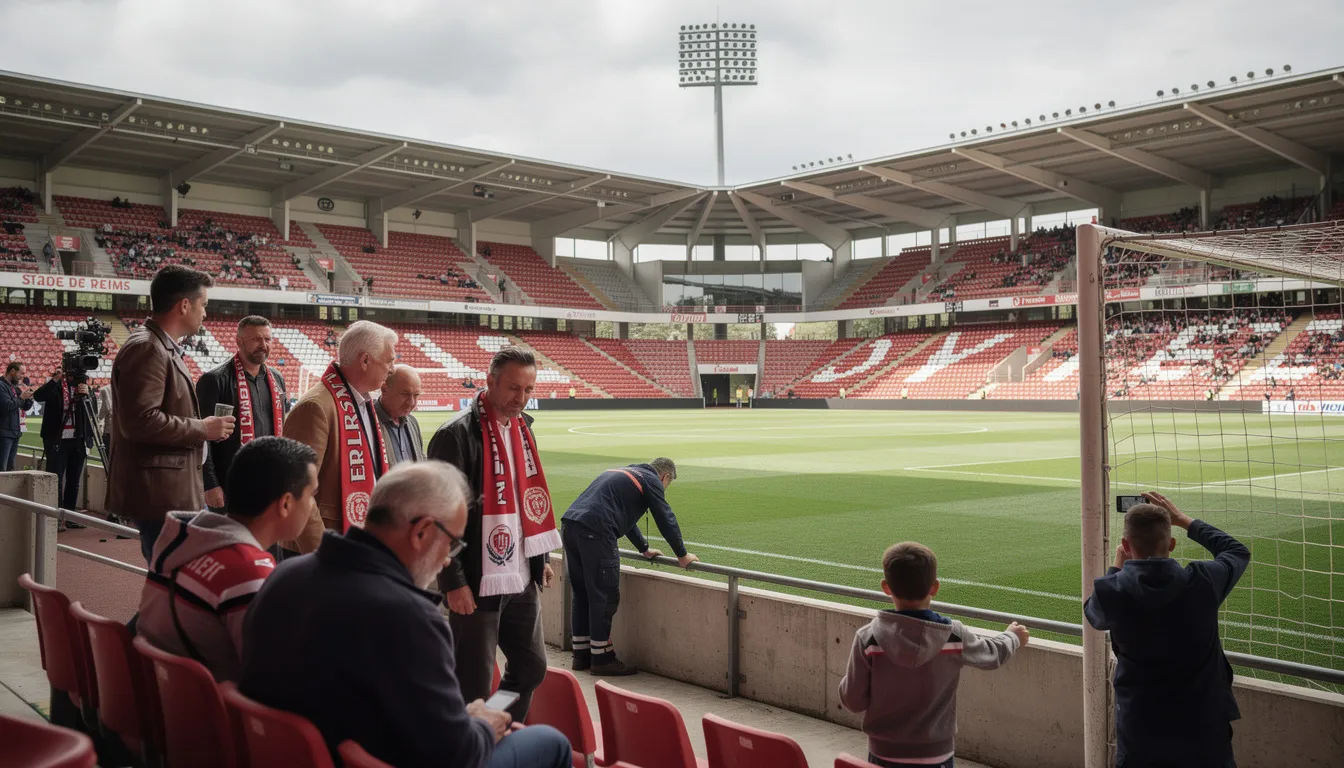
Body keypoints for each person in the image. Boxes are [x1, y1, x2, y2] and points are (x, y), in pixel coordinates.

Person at [240, 461, 572, 768]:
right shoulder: (406, 616)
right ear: (422, 532)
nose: (446, 560)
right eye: (452, 544)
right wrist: (482, 725)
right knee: (550, 741)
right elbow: (457, 756)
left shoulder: (283, 577)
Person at [428, 347, 559, 720]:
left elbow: (528, 501)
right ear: (489, 382)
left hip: (520, 577)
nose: (521, 398)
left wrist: (540, 557)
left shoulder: (523, 429)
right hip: (476, 579)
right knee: (473, 683)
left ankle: (494, 728)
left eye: (529, 390)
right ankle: (467, 751)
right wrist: (453, 581)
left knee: (531, 668)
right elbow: (437, 514)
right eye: (514, 388)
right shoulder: (455, 435)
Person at [1084, 492, 1250, 767]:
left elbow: (1094, 616)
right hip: (1204, 728)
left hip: (1141, 731)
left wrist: (1116, 567)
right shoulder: (1203, 582)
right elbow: (1237, 551)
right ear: (1171, 543)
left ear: (1126, 545)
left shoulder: (1111, 590)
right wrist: (1184, 520)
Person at [136, 437, 316, 682]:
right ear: (285, 503)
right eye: (311, 494)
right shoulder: (247, 571)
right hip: (201, 713)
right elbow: (276, 680)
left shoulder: (183, 539)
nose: (312, 505)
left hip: (155, 696)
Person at [840, 542, 1028, 768]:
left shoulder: (867, 638)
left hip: (883, 754)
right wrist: (1013, 636)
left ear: (886, 587)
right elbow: (992, 655)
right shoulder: (954, 635)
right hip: (937, 755)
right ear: (935, 587)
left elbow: (852, 700)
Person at [108, 265, 235, 564]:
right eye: (203, 305)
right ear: (184, 305)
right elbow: (140, 422)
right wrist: (203, 429)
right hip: (161, 494)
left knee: (176, 581)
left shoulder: (158, 345)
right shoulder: (148, 348)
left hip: (170, 491)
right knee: (175, 583)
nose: (206, 313)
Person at [561, 458, 698, 675]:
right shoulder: (651, 479)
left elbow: (626, 518)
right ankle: (602, 659)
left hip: (570, 526)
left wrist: (644, 547)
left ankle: (581, 655)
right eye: (667, 485)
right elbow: (664, 516)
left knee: (583, 593)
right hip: (596, 531)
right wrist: (682, 554)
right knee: (604, 596)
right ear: (666, 477)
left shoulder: (627, 473)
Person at [282, 320, 397, 554]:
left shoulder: (362, 402)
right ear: (365, 360)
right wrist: (323, 553)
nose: (393, 368)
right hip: (323, 550)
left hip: (355, 544)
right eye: (389, 360)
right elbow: (298, 490)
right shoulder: (315, 407)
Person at [196, 316, 289, 513]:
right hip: (229, 484)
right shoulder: (214, 380)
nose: (263, 345)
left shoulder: (277, 379)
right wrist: (210, 484)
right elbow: (201, 438)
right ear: (239, 342)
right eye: (256, 339)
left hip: (269, 482)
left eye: (267, 339)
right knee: (230, 541)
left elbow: (284, 430)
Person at [34, 369, 98, 512]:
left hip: (78, 439)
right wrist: (54, 379)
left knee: (74, 481)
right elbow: (38, 396)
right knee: (55, 479)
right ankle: (54, 517)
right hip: (57, 438)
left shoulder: (84, 387)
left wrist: (89, 395)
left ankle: (70, 515)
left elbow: (93, 411)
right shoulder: (56, 386)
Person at [376, 365, 425, 466]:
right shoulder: (367, 420)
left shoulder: (412, 422)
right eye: (405, 394)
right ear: (384, 390)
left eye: (416, 395)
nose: (411, 403)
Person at [0, 361, 33, 471]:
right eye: (21, 373)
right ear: (12, 371)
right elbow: (7, 406)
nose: (22, 377)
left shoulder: (14, 387)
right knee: (2, 469)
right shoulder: (1, 386)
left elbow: (25, 407)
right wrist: (21, 398)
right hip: (4, 432)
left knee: (11, 469)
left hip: (14, 431)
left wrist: (29, 397)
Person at [95, 383, 114, 457]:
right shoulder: (132, 389)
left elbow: (102, 410)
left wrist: (98, 418)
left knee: (109, 459)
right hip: (126, 433)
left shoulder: (105, 390)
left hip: (110, 431)